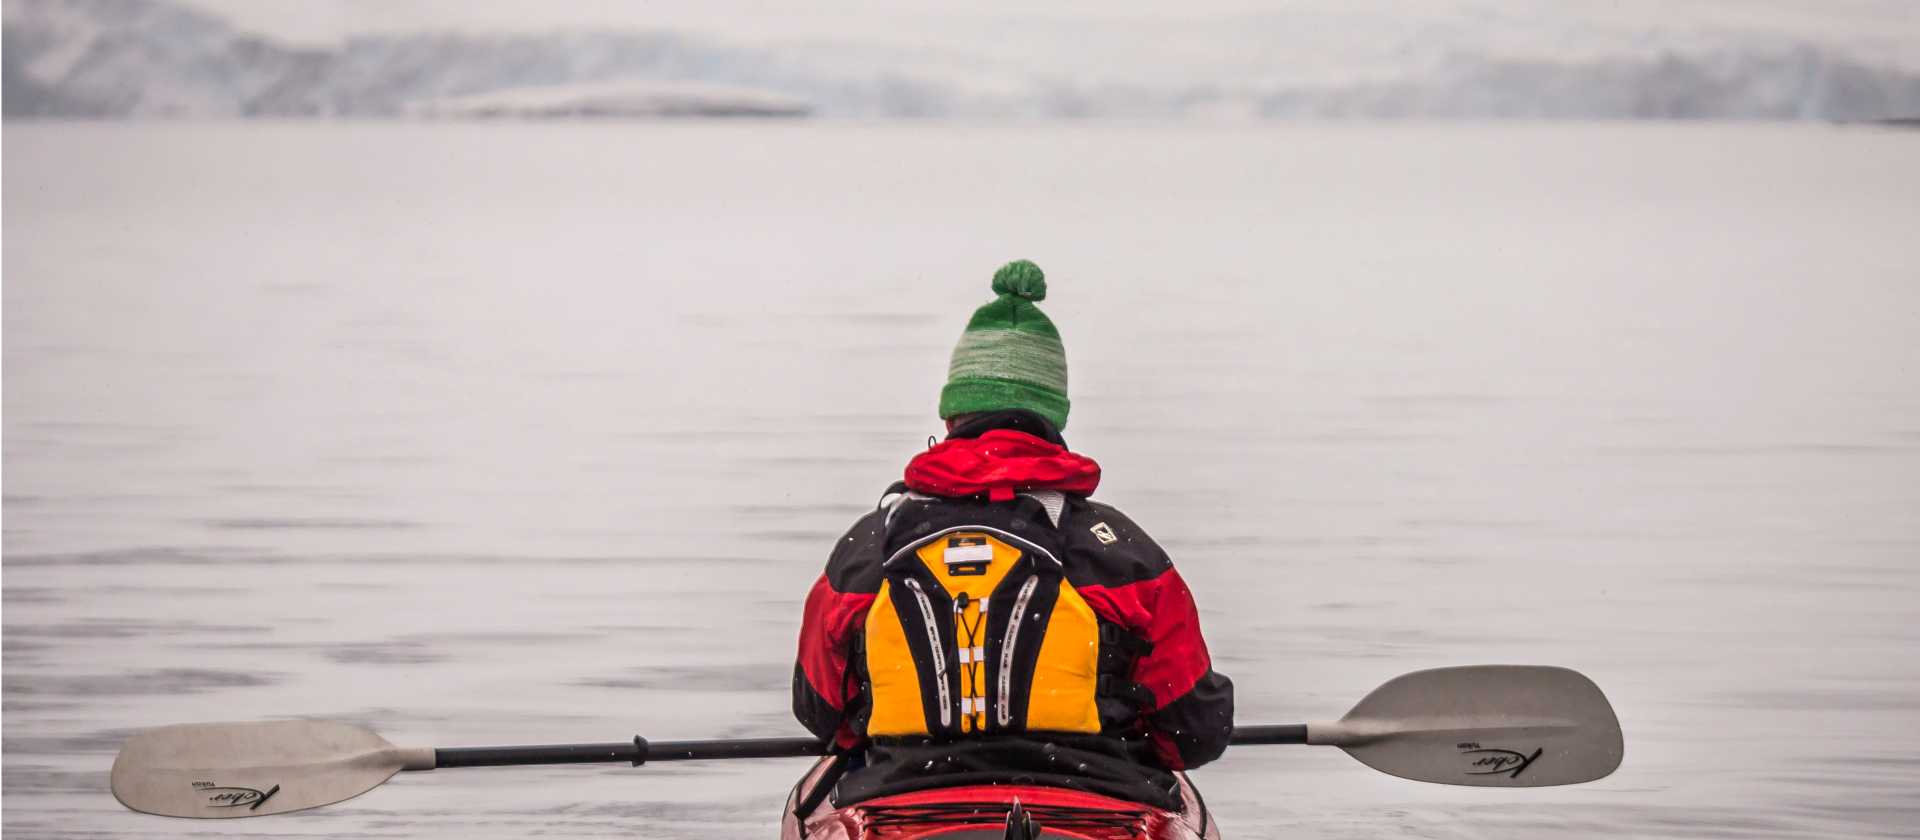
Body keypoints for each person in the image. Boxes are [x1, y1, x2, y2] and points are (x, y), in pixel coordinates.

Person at [789, 260, 1234, 814]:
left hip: (901, 804)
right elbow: (1195, 732)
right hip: (1095, 806)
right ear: (1052, 419)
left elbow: (821, 713)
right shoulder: (1125, 555)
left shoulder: (866, 551)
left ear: (953, 416)